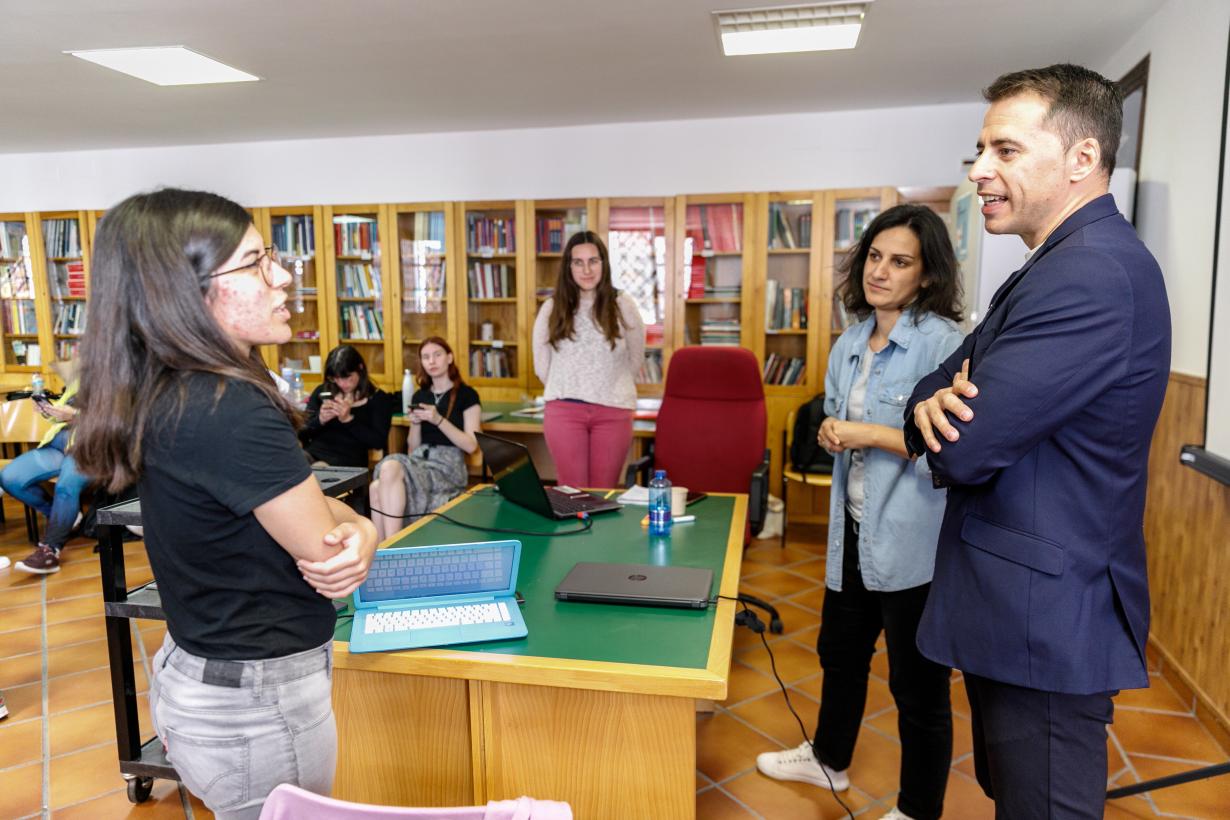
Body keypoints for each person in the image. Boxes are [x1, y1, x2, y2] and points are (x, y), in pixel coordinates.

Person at [903, 64, 1170, 815]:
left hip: (1046, 619)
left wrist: (938, 413)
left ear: (1082, 159)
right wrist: (932, 403)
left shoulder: (1091, 274)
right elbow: (932, 388)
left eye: (1006, 151)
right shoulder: (1051, 268)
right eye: (981, 150)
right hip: (1019, 608)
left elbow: (960, 444)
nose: (981, 170)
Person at [72, 188, 379, 819]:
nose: (283, 276)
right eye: (254, 262)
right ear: (186, 293)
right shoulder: (227, 407)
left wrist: (353, 524)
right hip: (257, 704)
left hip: (205, 676)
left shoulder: (177, 390)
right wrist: (360, 526)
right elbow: (323, 545)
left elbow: (312, 509)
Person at [756, 205, 964, 820]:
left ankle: (918, 808)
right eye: (875, 256)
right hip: (851, 532)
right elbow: (841, 422)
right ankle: (830, 761)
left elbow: (950, 450)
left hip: (911, 542)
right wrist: (832, 433)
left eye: (900, 262)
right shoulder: (850, 341)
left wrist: (868, 434)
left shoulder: (944, 345)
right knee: (839, 656)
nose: (880, 271)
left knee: (917, 688)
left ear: (926, 276)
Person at [532, 230, 645, 489]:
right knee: (572, 493)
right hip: (565, 410)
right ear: (568, 267)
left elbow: (635, 359)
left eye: (593, 261)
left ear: (604, 264)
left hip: (613, 410)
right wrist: (572, 384)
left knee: (604, 494)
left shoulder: (623, 305)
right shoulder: (552, 307)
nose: (587, 269)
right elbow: (542, 366)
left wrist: (606, 385)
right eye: (578, 262)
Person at [369, 337, 480, 541]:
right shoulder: (420, 395)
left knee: (389, 469)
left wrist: (438, 419)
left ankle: (392, 546)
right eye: (426, 357)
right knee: (376, 485)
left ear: (449, 357)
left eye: (437, 355)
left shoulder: (467, 395)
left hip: (448, 467)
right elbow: (413, 448)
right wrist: (416, 423)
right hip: (420, 460)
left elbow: (471, 445)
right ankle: (383, 551)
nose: (432, 361)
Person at [3, 374, 92, 575]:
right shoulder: (79, 378)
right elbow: (60, 412)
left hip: (90, 447)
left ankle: (50, 550)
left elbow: (120, 420)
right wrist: (48, 410)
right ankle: (60, 515)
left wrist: (75, 416)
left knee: (65, 486)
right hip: (59, 443)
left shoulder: (123, 374)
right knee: (10, 478)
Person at [299, 345, 395, 468]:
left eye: (346, 377)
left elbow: (378, 442)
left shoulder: (378, 399)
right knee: (291, 459)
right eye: (335, 378)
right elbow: (302, 433)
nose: (341, 384)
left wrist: (348, 420)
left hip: (348, 462)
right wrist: (320, 420)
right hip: (313, 455)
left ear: (360, 369)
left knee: (317, 470)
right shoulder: (322, 392)